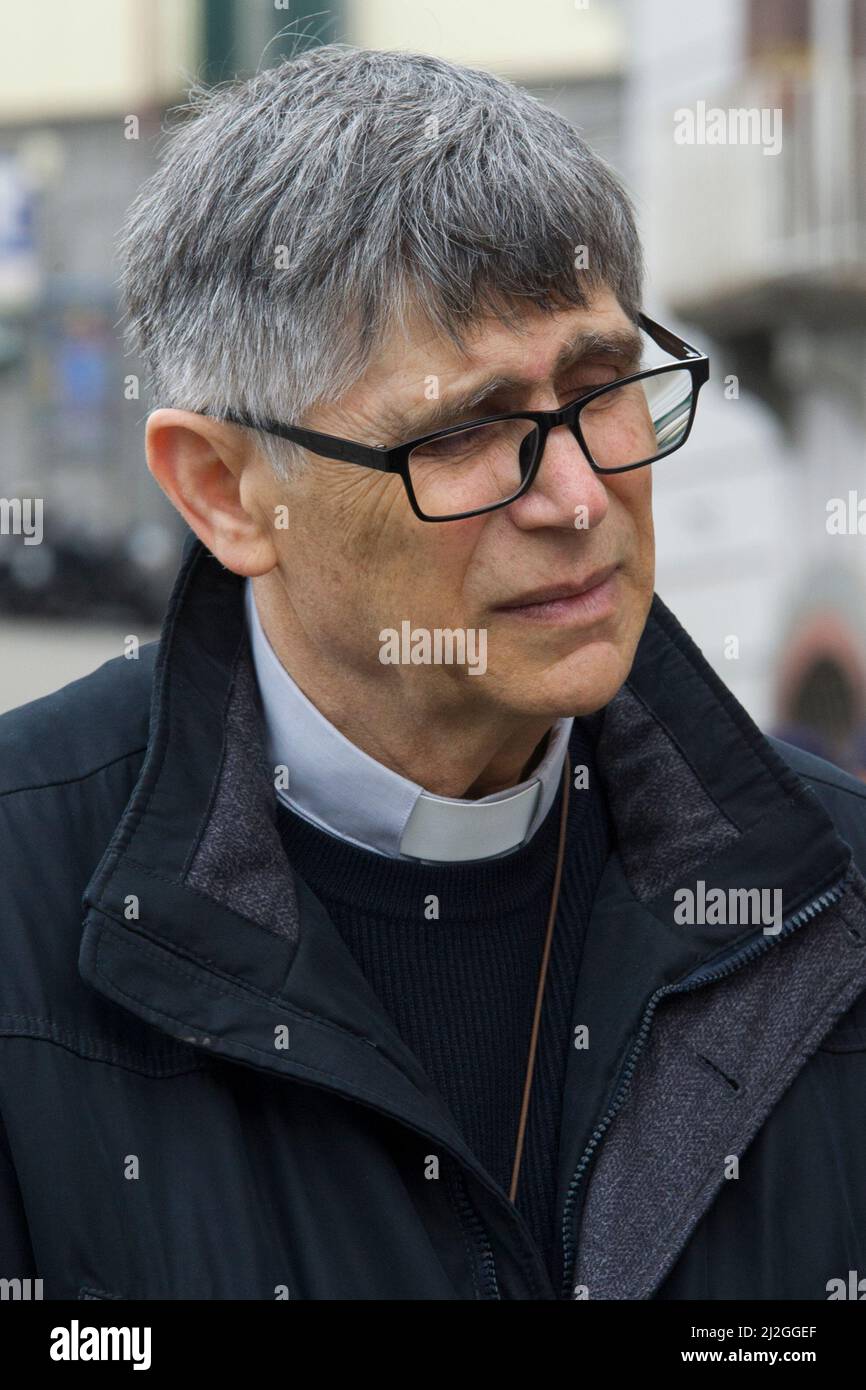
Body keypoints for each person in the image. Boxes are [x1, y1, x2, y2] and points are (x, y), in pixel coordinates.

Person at [2, 44, 866, 1302]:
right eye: (463, 433)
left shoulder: (829, 894)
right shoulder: (23, 908)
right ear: (226, 490)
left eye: (598, 384)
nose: (576, 498)